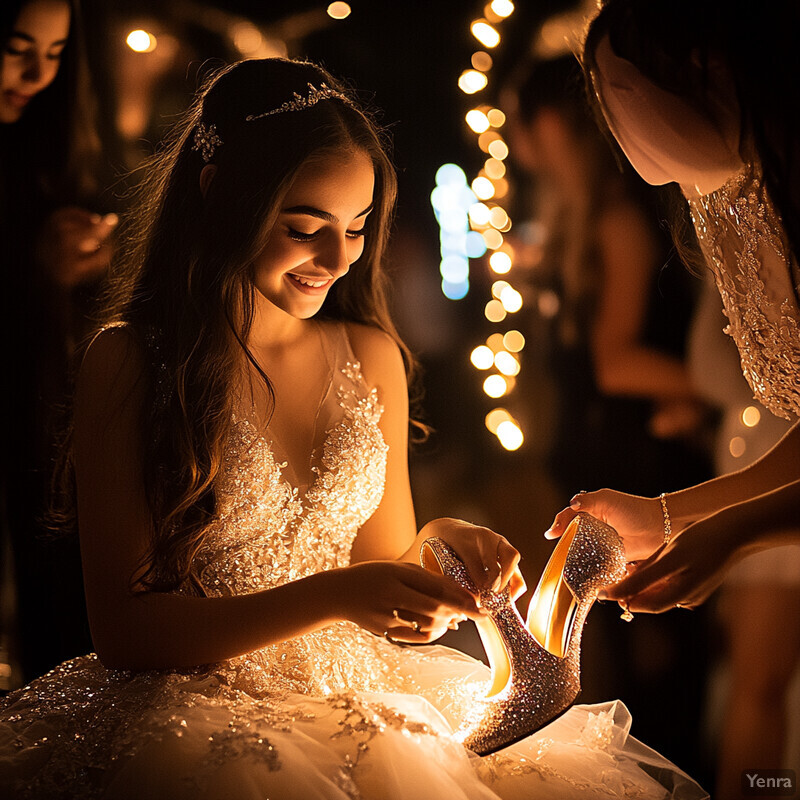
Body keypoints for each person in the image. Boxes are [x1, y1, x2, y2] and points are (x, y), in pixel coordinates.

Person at [0, 57, 706, 799]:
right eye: (304, 227)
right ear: (217, 195)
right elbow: (125, 633)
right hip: (196, 722)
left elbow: (382, 565)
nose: (336, 259)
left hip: (368, 695)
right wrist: (338, 595)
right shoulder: (129, 360)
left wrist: (438, 544)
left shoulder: (369, 355)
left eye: (359, 228)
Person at [548, 0, 800, 629]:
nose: (614, 125)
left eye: (622, 91)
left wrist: (733, 533)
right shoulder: (741, 203)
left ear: (707, 71)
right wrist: (662, 517)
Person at [506, 53, 712, 777]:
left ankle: (683, 774)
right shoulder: (570, 225)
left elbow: (615, 359)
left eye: (519, 121)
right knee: (615, 653)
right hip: (597, 454)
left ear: (554, 123)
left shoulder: (617, 222)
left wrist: (712, 394)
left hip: (638, 460)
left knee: (660, 649)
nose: (516, 142)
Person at [1, 0, 117, 685]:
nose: (34, 73)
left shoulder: (46, 151)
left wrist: (82, 270)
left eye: (53, 54)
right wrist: (31, 271)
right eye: (17, 47)